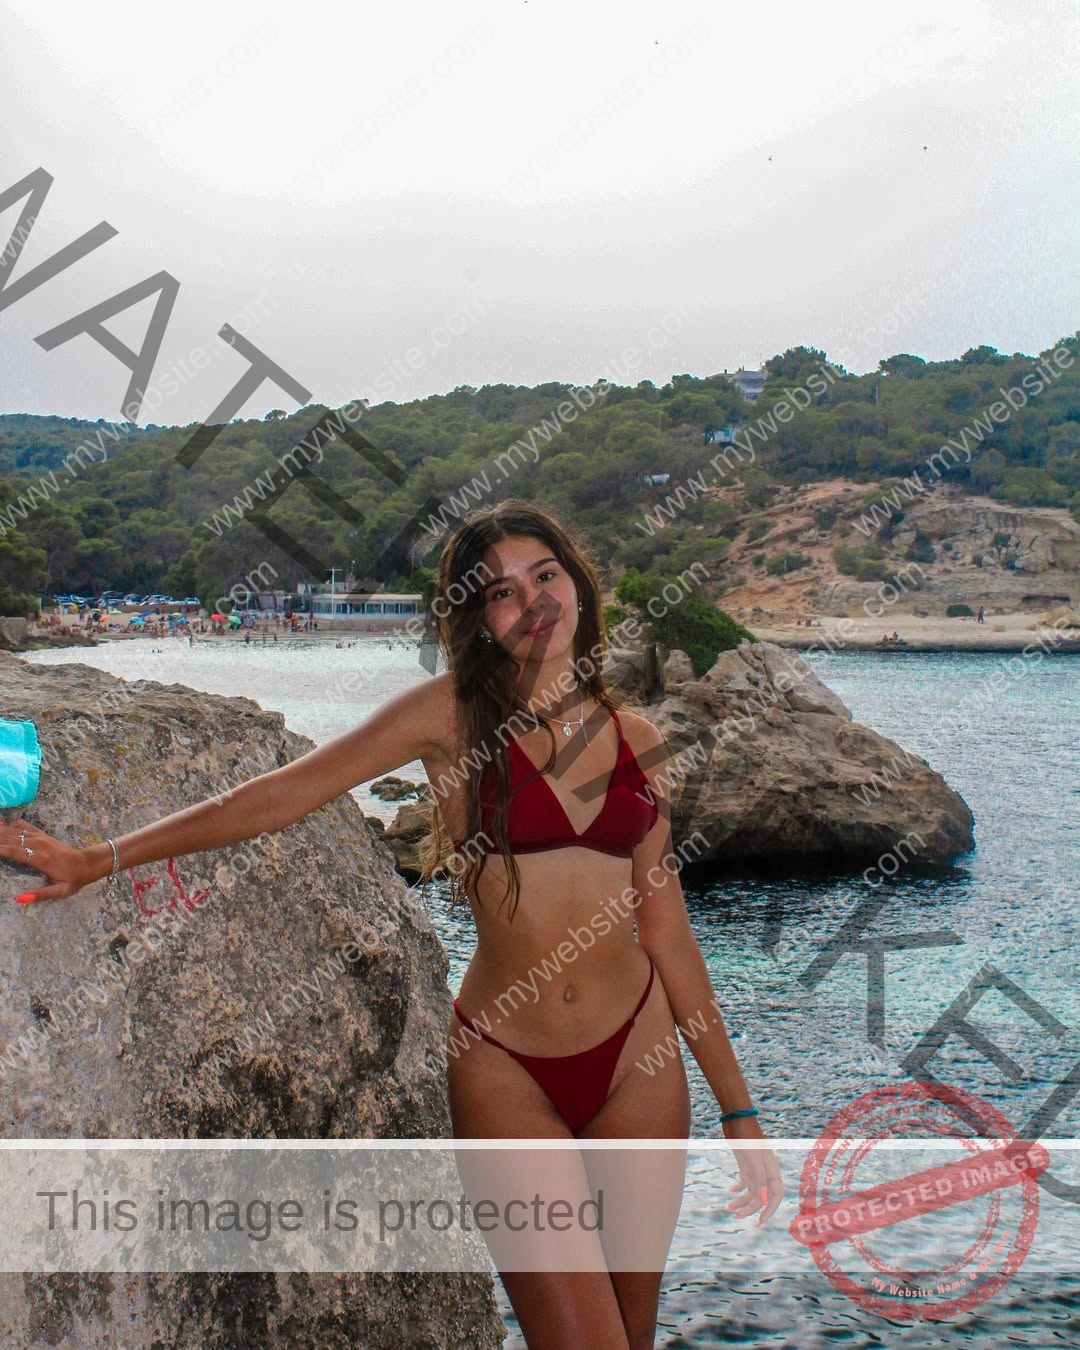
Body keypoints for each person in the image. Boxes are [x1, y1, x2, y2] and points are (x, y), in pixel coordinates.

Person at [2, 500, 781, 1348]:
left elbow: (668, 937)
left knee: (635, 1333)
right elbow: (278, 796)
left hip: (639, 1066)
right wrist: (100, 857)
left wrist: (739, 1112)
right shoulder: (449, 718)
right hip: (509, 1071)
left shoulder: (637, 740)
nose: (534, 602)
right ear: (479, 621)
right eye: (502, 593)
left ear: (580, 587)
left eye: (546, 576)